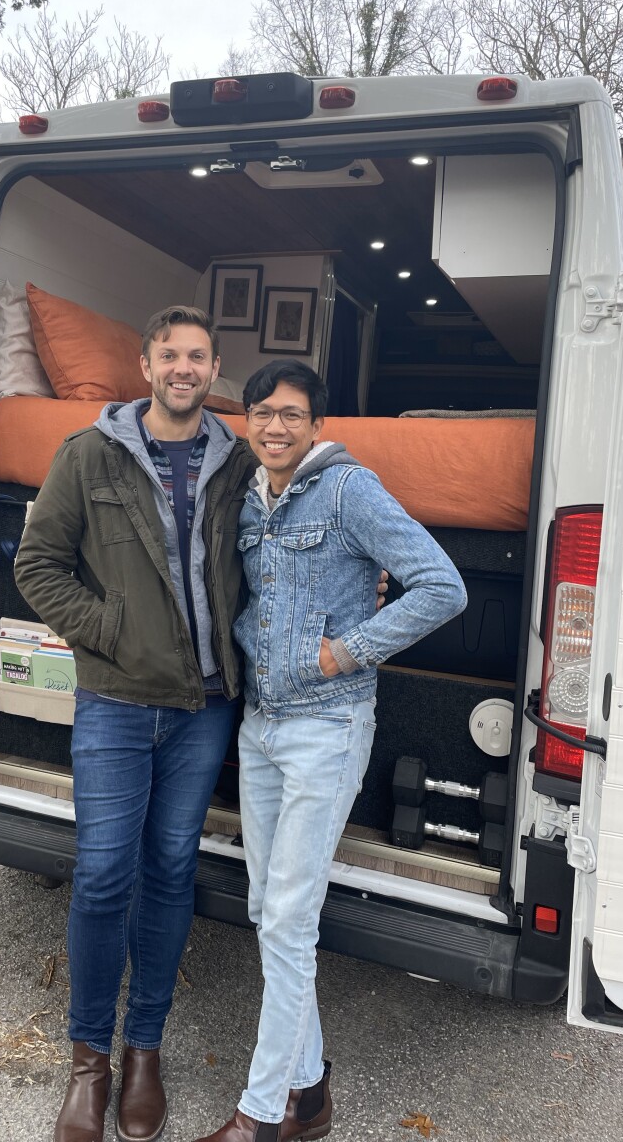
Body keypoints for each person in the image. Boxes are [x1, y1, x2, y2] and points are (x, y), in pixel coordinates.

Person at [195, 360, 468, 1142]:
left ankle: (259, 1115)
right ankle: (309, 1093)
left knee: (287, 917)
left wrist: (346, 651)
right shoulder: (249, 496)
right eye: (261, 413)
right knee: (263, 908)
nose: (274, 427)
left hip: (327, 725)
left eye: (290, 414)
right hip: (263, 725)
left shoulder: (349, 490)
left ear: (317, 424)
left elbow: (441, 586)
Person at [14, 306, 259, 1142]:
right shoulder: (89, 454)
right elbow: (36, 564)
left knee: (168, 872)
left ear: (213, 365)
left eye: (198, 355)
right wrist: (110, 632)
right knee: (103, 875)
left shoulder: (239, 462)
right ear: (145, 364)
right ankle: (89, 1061)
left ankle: (143, 1049)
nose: (184, 367)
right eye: (170, 355)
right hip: (116, 702)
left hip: (203, 709)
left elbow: (287, 544)